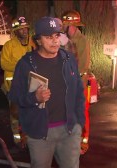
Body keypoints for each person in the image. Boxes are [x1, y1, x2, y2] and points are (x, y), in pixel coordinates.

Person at [8, 16, 85, 168]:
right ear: (38, 40)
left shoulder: (68, 59)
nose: (55, 41)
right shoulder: (25, 65)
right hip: (40, 133)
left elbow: (78, 93)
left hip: (69, 131)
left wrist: (78, 124)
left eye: (57, 35)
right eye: (48, 37)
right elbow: (15, 98)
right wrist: (34, 98)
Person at [0, 16, 34, 148]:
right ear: (15, 31)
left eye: (26, 28)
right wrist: (21, 65)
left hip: (30, 86)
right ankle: (17, 138)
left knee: (30, 113)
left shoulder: (32, 44)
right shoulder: (9, 46)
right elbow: (4, 64)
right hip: (13, 86)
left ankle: (28, 137)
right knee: (15, 114)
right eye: (21, 29)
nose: (25, 31)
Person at [61, 10, 91, 155]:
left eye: (68, 26)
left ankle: (82, 143)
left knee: (81, 113)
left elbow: (83, 65)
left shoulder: (82, 41)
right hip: (66, 84)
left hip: (79, 84)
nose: (67, 30)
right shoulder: (64, 40)